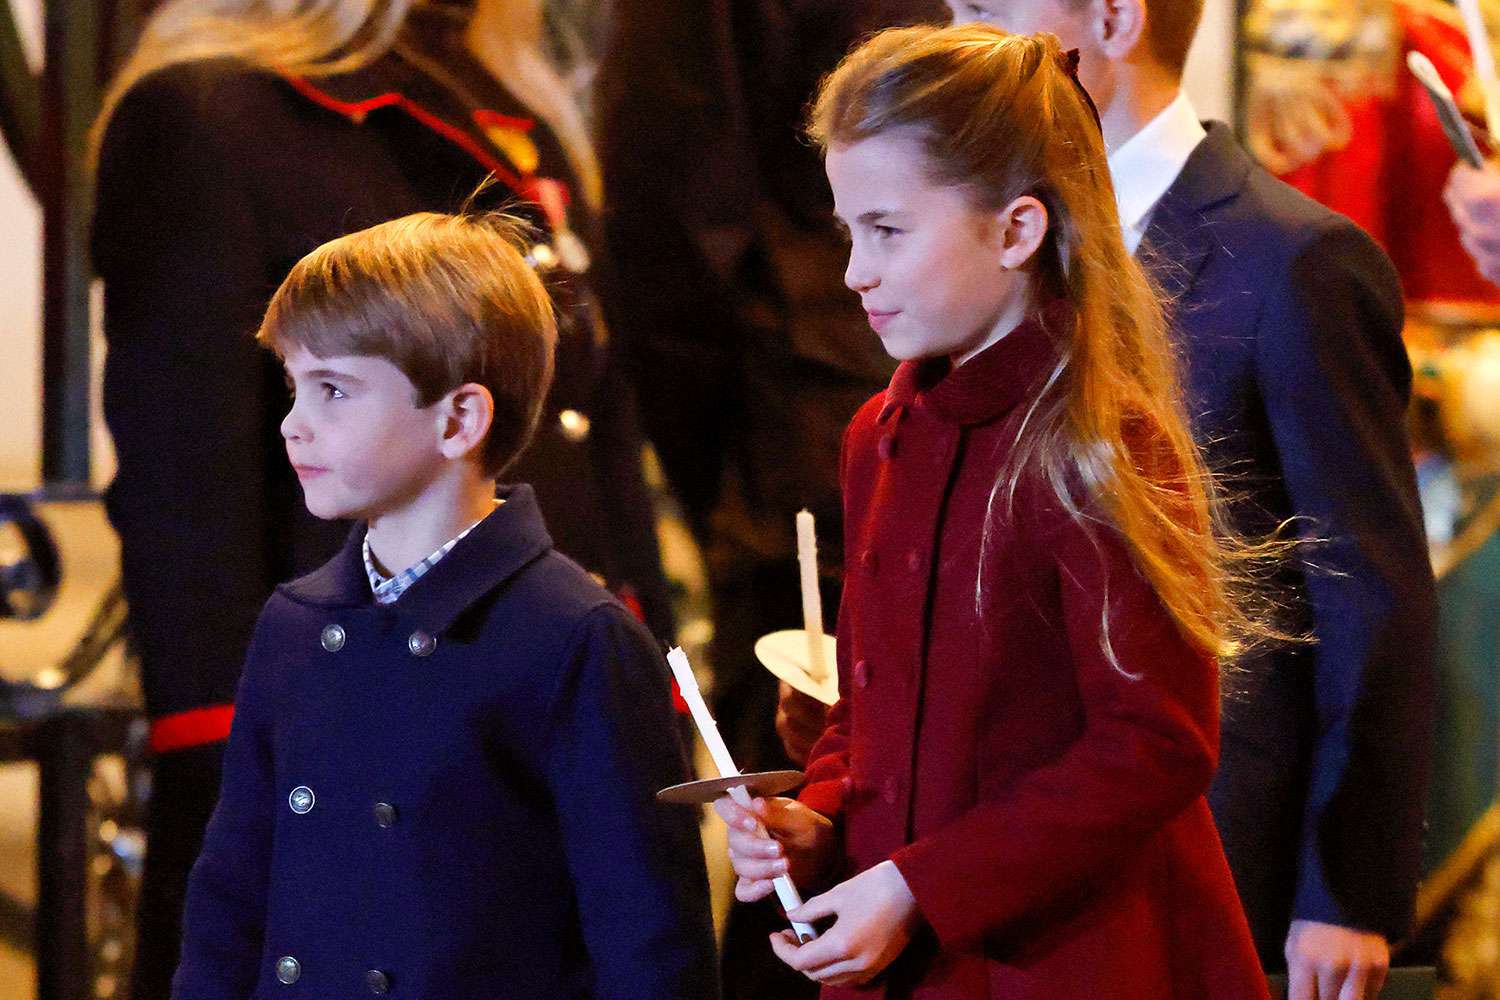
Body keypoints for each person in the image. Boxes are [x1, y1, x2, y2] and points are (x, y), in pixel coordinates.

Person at [90, 2, 671, 990]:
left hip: (536, 708)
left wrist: (645, 685)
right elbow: (190, 491)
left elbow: (595, 425)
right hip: (354, 734)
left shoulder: (506, 101)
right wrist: (235, 759)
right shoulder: (209, 111)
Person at [722, 24, 1272, 998]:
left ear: (1017, 230)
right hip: (916, 957)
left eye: (888, 229)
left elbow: (1156, 741)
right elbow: (870, 706)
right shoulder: (875, 435)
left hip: (1073, 960)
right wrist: (818, 821)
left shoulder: (1098, 442)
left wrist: (921, 885)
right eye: (848, 229)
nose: (854, 270)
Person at [928, 3, 1434, 998]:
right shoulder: (985, 250)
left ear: (1114, 16)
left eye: (988, 7)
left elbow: (1368, 602)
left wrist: (1348, 890)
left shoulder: (1293, 261)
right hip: (1032, 854)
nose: (955, 31)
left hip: (1229, 840)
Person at [171, 211, 717, 1000]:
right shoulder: (292, 625)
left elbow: (650, 946)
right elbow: (229, 900)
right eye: (294, 387)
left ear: (459, 419)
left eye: (333, 390)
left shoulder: (578, 639)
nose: (293, 425)